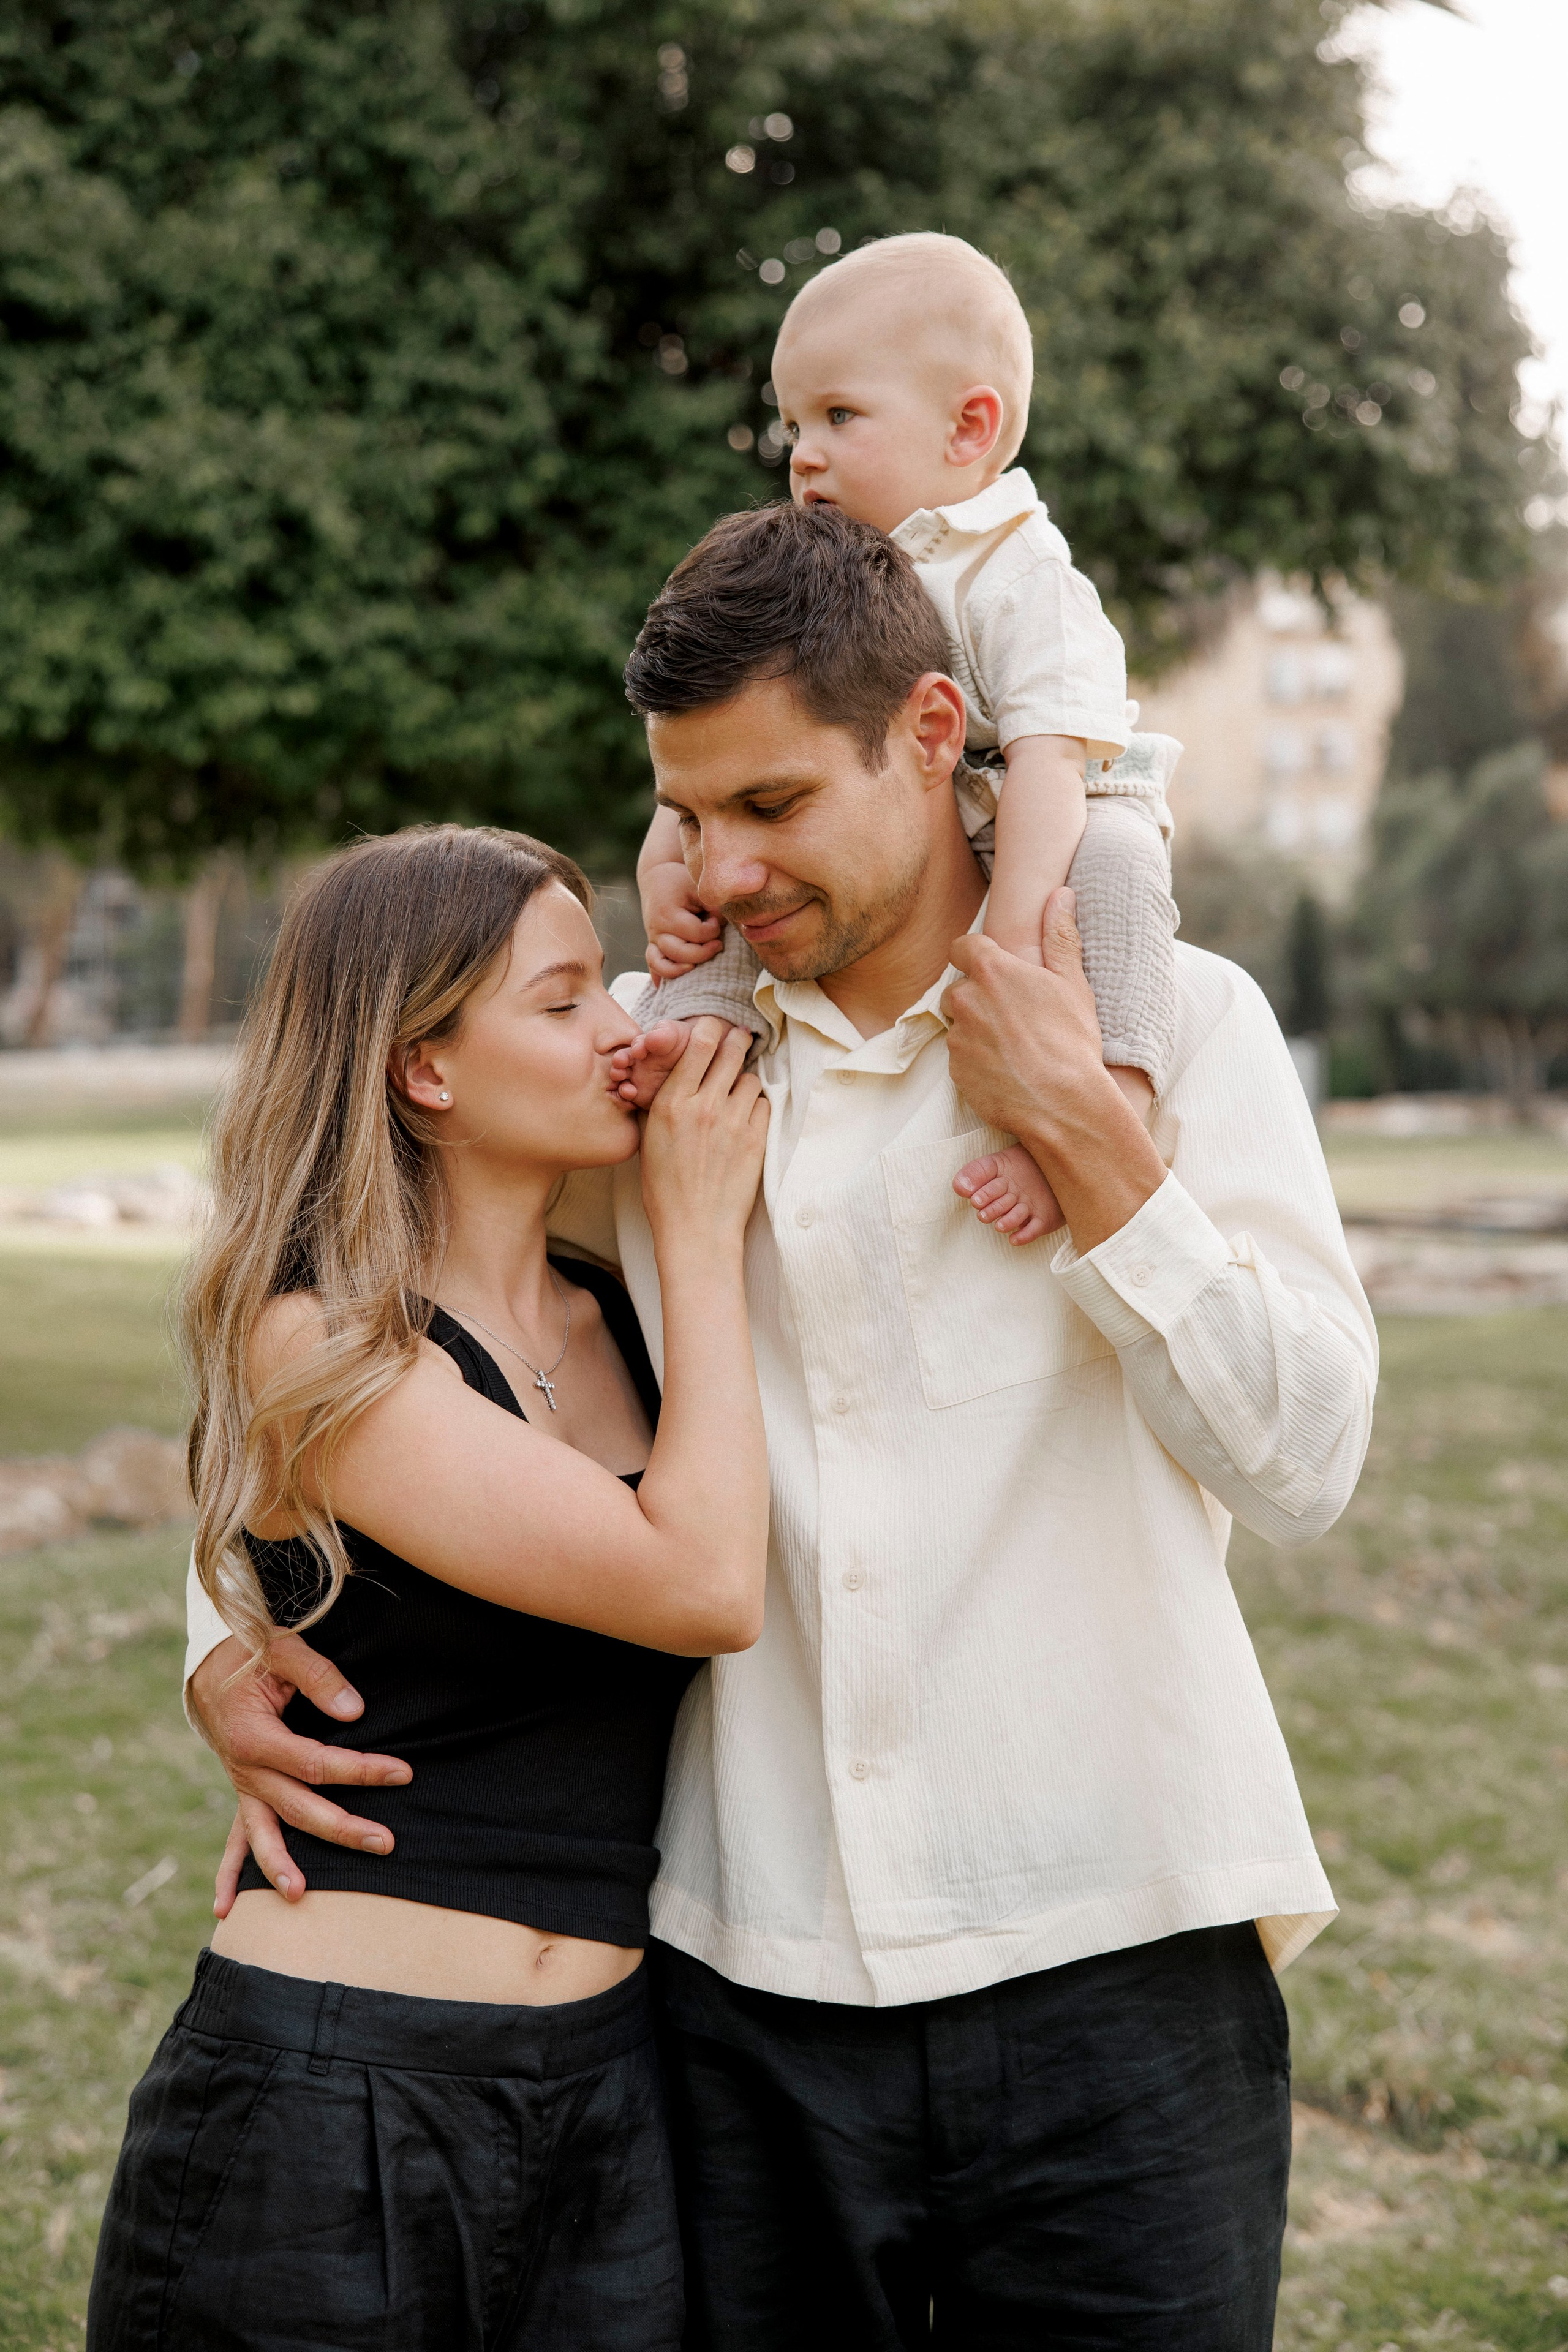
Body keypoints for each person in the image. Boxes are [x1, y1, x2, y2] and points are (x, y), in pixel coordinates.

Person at [190, 508, 1376, 2349]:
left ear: (927, 732)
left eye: (772, 807)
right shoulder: (654, 1085)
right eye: (688, 815)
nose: (717, 874)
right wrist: (228, 1636)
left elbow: (1307, 1461)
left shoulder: (1178, 1033)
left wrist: (1098, 1150)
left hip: (1124, 1959)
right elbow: (357, 1317)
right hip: (740, 1995)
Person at [89, 825, 769, 2352]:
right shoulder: (321, 1345)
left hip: (610, 2089)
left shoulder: (611, 1309)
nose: (625, 1028)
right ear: (425, 1070)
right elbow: (707, 1582)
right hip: (332, 2104)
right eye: (563, 1001)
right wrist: (704, 1233)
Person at [627, 230, 1180, 1246]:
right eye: (793, 422)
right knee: (738, 889)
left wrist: (1007, 944)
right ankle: (699, 1030)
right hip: (933, 822)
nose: (805, 453)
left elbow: (1053, 767)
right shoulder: (830, 574)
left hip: (1062, 805)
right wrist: (667, 863)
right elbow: (720, 756)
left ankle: (1112, 1099)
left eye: (840, 415)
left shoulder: (1023, 574)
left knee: (1116, 875)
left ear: (971, 427)